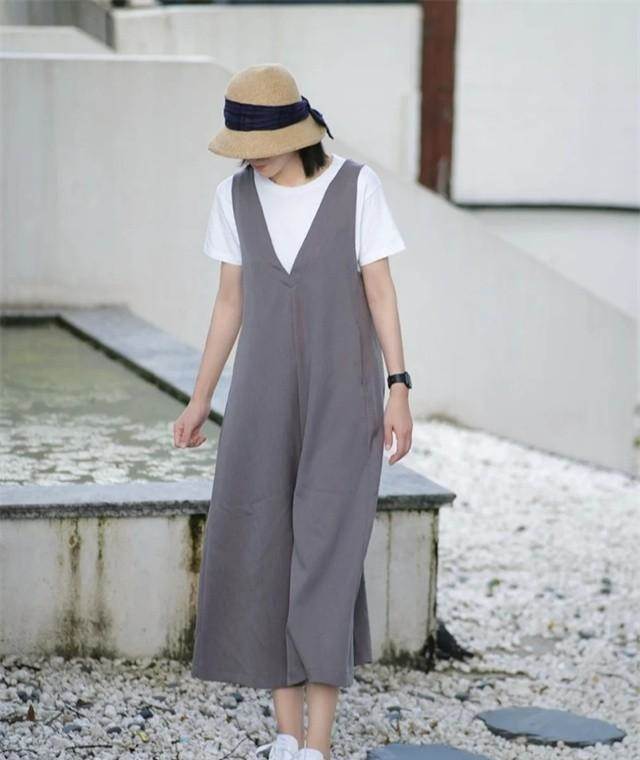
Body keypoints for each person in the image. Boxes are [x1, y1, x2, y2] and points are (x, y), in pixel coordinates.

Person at [173, 63, 413, 760]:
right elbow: (230, 303)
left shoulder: (357, 188)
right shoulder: (233, 197)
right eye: (242, 148)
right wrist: (199, 399)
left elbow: (381, 292)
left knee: (327, 557)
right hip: (260, 398)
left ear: (296, 133)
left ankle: (320, 742)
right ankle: (286, 735)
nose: (251, 159)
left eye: (262, 145)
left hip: (346, 396)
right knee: (263, 551)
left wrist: (399, 385)